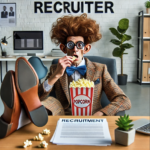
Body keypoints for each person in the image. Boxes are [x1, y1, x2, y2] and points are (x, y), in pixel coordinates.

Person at [38, 13, 131, 116]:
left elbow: (123, 100)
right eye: (70, 45)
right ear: (64, 48)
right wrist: (56, 75)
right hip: (65, 117)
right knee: (46, 102)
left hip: (92, 117)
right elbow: (38, 97)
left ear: (86, 48)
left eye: (79, 45)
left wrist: (102, 113)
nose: (75, 49)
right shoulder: (55, 69)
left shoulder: (100, 69)